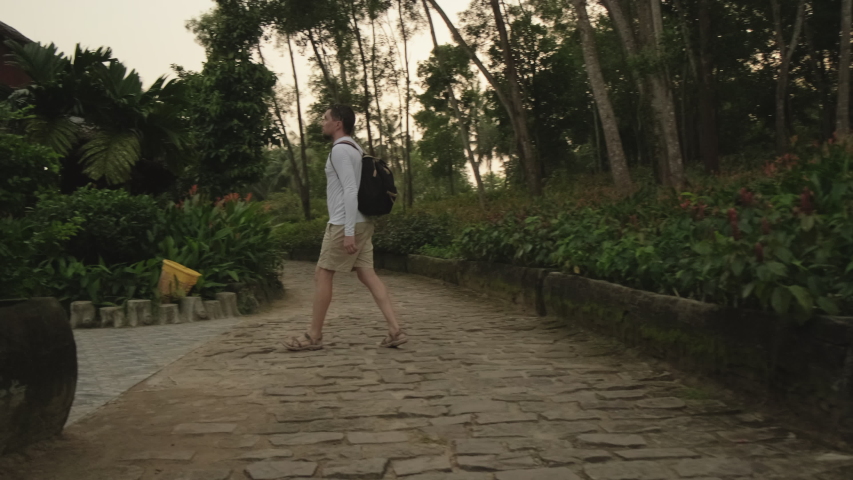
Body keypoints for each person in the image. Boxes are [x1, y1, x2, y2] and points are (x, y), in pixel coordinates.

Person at [285, 105, 407, 351]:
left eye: (325, 118)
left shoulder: (340, 150)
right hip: (363, 221)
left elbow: (351, 190)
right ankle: (395, 330)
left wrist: (348, 231)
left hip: (344, 223)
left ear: (338, 123)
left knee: (322, 274)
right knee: (367, 274)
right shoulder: (355, 148)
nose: (322, 122)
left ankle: (313, 336)